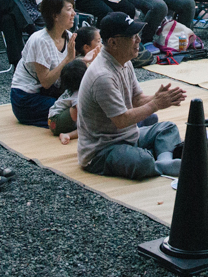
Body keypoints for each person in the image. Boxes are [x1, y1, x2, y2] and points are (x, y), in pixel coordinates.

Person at [77, 12, 186, 180]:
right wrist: (156, 104)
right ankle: (156, 162)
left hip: (128, 136)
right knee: (142, 161)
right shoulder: (102, 76)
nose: (139, 40)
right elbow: (121, 120)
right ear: (113, 42)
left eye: (137, 35)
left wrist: (160, 98)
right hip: (102, 151)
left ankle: (165, 161)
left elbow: (137, 99)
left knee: (168, 128)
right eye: (133, 36)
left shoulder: (124, 61)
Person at [11, 0, 78, 126]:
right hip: (27, 98)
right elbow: (46, 81)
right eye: (69, 9)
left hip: (48, 93)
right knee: (76, 112)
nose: (74, 14)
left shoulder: (69, 36)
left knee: (85, 104)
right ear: (55, 15)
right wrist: (68, 59)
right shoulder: (40, 40)